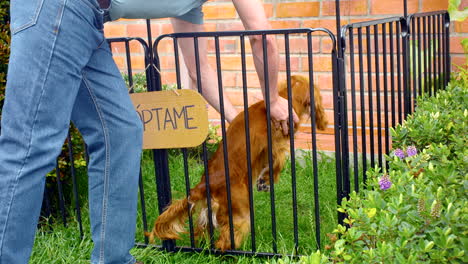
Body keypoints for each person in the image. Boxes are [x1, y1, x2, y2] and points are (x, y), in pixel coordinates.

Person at [0, 0, 144, 263]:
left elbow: (197, 66)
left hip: (88, 18)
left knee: (120, 132)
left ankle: (113, 259)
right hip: (58, 7)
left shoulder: (194, 7)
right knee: (30, 143)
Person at [106, 0, 299, 134]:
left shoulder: (187, 6)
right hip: (80, 12)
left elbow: (199, 70)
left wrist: (240, 123)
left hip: (93, 18)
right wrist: (272, 100)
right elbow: (262, 37)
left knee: (119, 132)